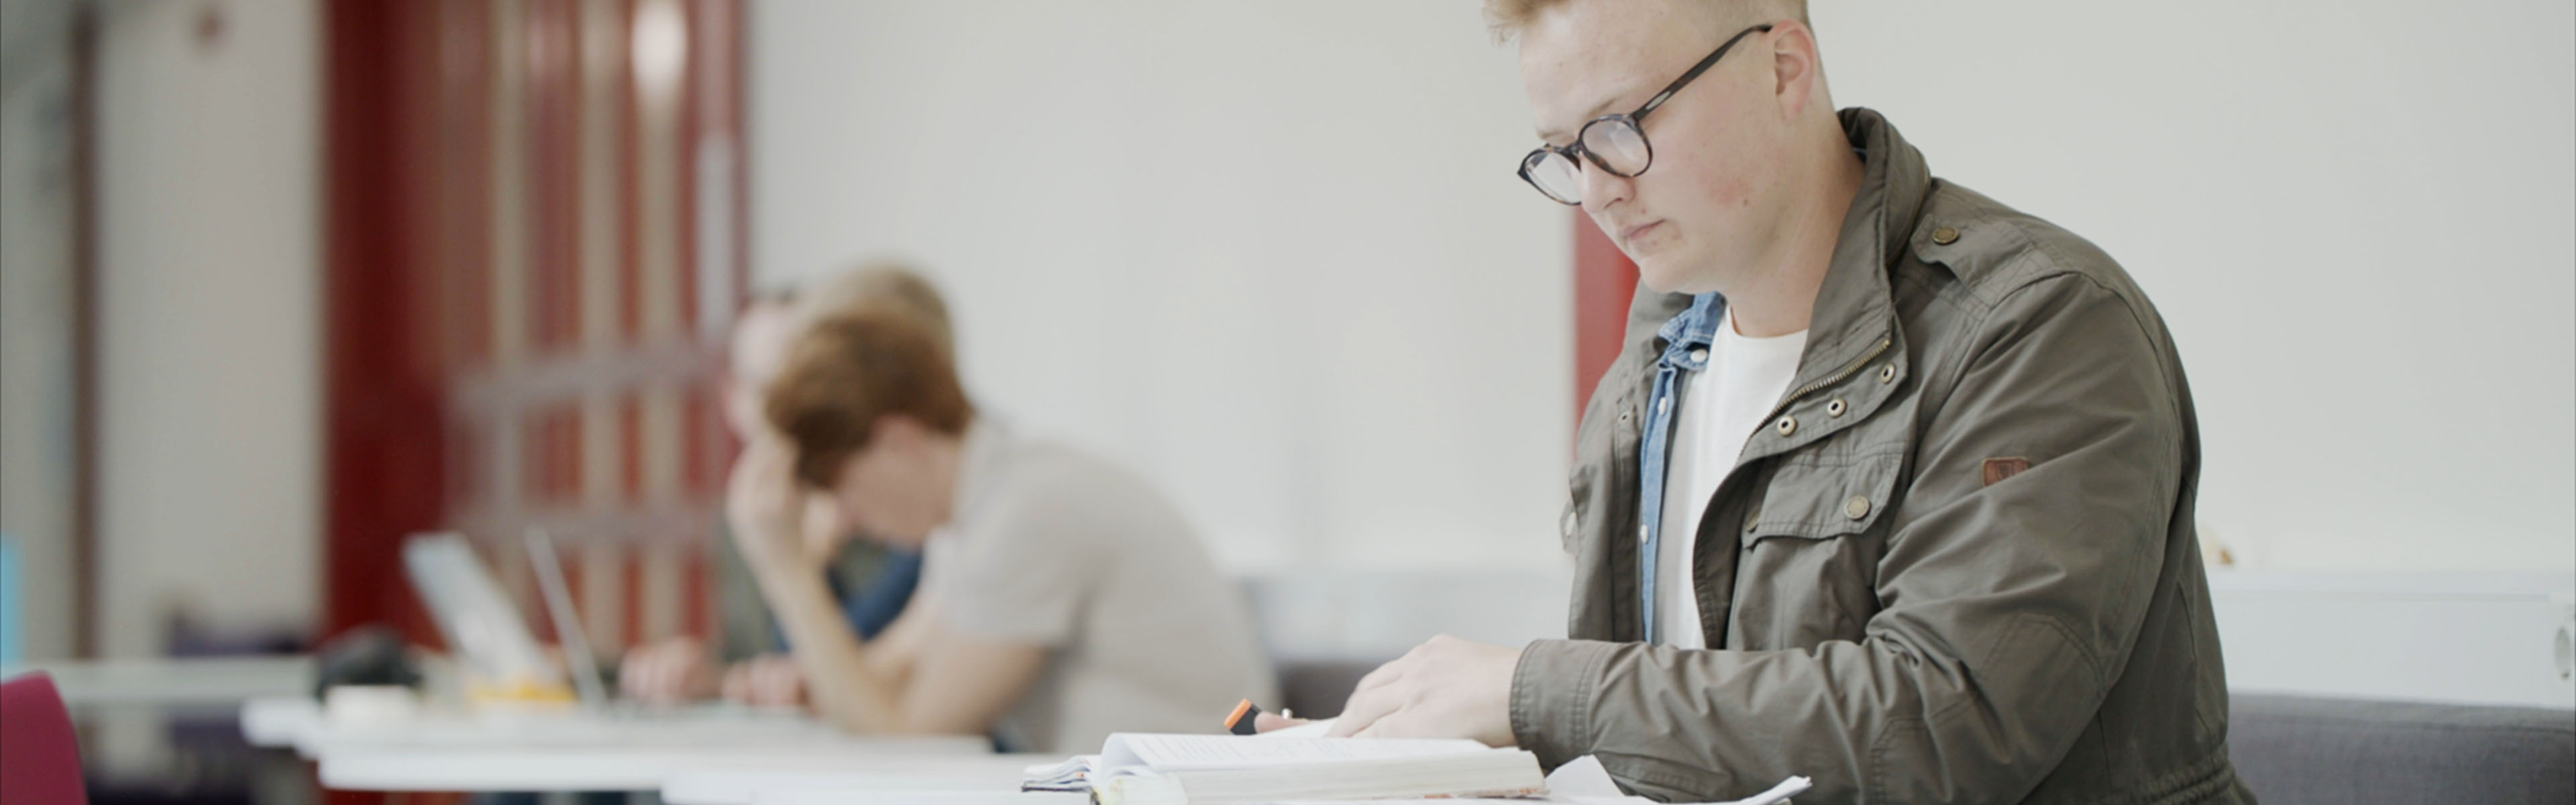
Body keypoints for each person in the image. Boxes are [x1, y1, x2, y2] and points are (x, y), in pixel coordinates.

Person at [1262, 2, 2253, 802]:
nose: (1597, 190)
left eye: (1621, 127)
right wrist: (1430, 758)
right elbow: (1678, 742)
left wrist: (1533, 693)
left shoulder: (2039, 326)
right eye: (1563, 150)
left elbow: (1943, 726)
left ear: (1783, 69)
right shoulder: (1655, 360)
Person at [732, 300, 1275, 753]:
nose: (847, 517)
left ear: (898, 439)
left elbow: (906, 736)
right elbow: (884, 679)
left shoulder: (1023, 515)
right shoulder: (978, 510)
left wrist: (787, 568)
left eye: (841, 486)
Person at [619, 264, 947, 708]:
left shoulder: (898, 507)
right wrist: (706, 676)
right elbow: (768, 661)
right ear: (733, 398)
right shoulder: (749, 511)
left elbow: (861, 681)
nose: (795, 415)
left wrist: (798, 565)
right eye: (773, 391)